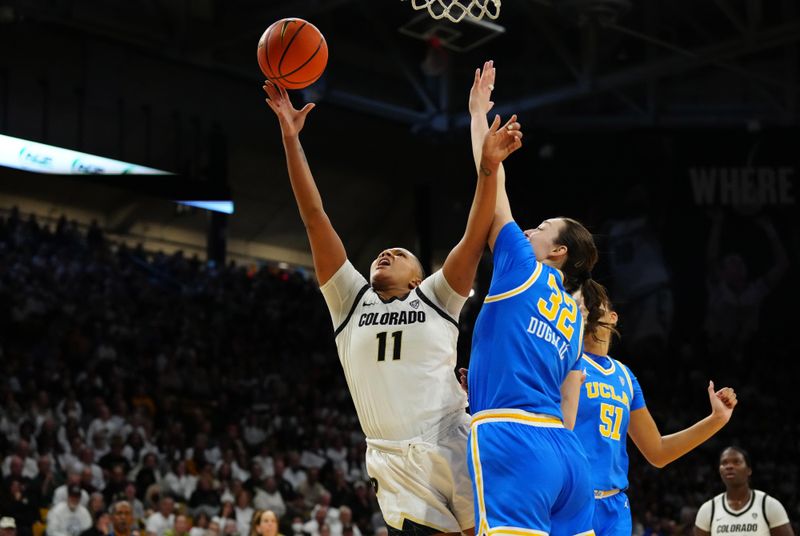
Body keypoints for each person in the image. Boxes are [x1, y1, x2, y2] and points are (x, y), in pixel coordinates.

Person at [262, 61, 523, 536]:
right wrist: (290, 138)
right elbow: (315, 216)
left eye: (398, 254)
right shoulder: (349, 301)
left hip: (450, 438)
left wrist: (488, 165)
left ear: (419, 276)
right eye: (383, 252)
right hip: (389, 455)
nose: (385, 253)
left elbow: (475, 231)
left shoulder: (437, 297)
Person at [465, 60, 599, 536]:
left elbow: (491, 185)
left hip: (511, 435)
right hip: (567, 455)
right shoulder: (574, 311)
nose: (528, 228)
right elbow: (570, 394)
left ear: (558, 251)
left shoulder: (523, 266)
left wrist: (478, 112)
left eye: (540, 229)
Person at [572, 294, 738, 536]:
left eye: (595, 301)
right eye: (581, 304)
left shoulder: (626, 378)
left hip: (615, 508)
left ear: (613, 317)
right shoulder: (566, 363)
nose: (588, 307)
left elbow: (658, 452)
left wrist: (716, 420)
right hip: (573, 501)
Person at [694, 447, 794, 536]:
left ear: (749, 470)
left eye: (736, 462)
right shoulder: (708, 509)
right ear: (719, 470)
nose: (729, 466)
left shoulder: (769, 505)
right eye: (724, 463)